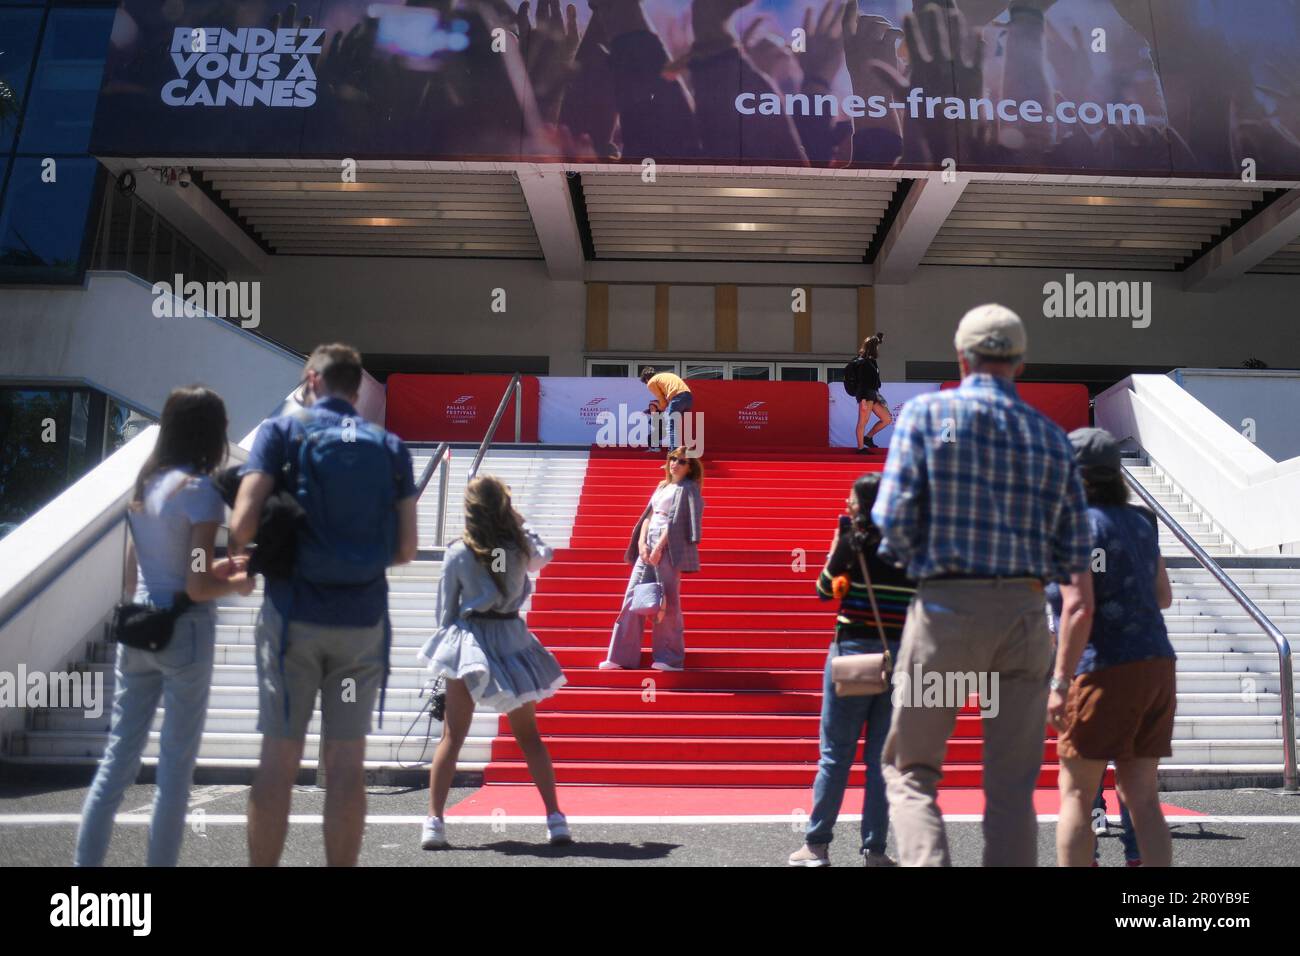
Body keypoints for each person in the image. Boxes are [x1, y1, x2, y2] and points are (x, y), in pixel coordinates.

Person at [871, 303, 1092, 867]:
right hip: (1022, 619)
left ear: (961, 356)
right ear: (1020, 362)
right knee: (1013, 787)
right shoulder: (1051, 437)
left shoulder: (925, 416)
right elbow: (1072, 553)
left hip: (946, 613)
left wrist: (922, 560)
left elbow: (889, 518)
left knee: (912, 769)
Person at [230, 343, 419, 867]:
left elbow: (242, 523)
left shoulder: (281, 434)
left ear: (310, 380)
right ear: (357, 390)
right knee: (345, 768)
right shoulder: (389, 447)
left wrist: (249, 549)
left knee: (278, 762)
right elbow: (405, 549)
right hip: (361, 626)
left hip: (293, 619)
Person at [76, 386, 254, 866]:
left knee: (117, 761)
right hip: (185, 634)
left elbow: (145, 573)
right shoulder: (199, 493)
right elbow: (196, 584)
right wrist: (237, 581)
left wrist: (208, 575)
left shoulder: (145, 487)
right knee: (174, 772)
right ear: (210, 434)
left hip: (139, 628)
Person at [417, 475, 570, 849]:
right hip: (512, 638)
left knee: (452, 736)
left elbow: (445, 612)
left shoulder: (458, 552)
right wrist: (518, 520)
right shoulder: (517, 549)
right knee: (529, 735)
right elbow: (543, 553)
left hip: (470, 642)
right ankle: (555, 818)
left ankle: (435, 823)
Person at [1049, 427, 1176, 868]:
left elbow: (1078, 608)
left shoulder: (1073, 525)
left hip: (1103, 666)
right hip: (1157, 664)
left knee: (1077, 796)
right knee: (1142, 797)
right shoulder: (1141, 522)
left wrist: (1060, 680)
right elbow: (1164, 596)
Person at [789, 473, 916, 867]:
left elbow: (823, 590)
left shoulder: (852, 543)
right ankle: (875, 850)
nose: (847, 505)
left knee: (835, 754)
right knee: (882, 759)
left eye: (851, 500)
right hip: (899, 658)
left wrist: (834, 551)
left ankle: (817, 845)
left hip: (853, 653)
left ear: (862, 505)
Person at [601, 447, 704, 672]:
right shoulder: (662, 486)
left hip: (669, 544)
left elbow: (679, 521)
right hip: (647, 542)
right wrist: (642, 543)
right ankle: (620, 656)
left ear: (690, 468)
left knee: (668, 601)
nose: (675, 463)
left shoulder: (689, 489)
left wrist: (659, 546)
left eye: (682, 461)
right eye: (673, 458)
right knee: (632, 596)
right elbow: (648, 515)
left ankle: (670, 659)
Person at [845, 333, 892, 452]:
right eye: (876, 347)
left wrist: (879, 338)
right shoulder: (864, 363)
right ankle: (860, 448)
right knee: (862, 422)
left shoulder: (871, 361)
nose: (878, 349)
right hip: (865, 395)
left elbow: (873, 382)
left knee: (887, 419)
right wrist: (863, 400)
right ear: (873, 348)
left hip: (873, 394)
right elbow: (862, 383)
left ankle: (868, 437)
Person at [640, 367, 693, 452]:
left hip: (677, 398)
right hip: (689, 398)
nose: (647, 384)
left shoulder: (651, 382)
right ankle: (673, 451)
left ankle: (674, 455)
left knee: (672, 427)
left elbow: (662, 401)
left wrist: (659, 410)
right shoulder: (665, 376)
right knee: (675, 427)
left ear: (646, 379)